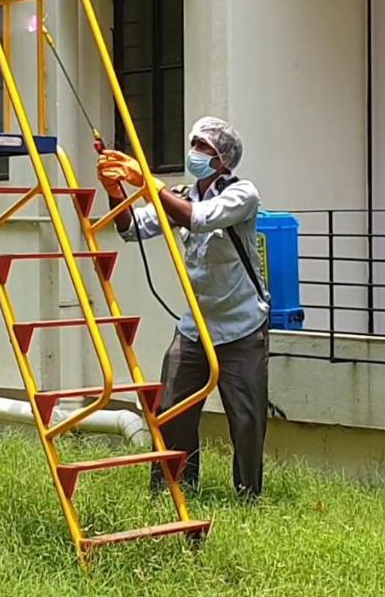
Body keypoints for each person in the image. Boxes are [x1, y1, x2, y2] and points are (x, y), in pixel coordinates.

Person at [97, 116, 270, 500]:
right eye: (194, 144)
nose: (195, 153)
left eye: (204, 147)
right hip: (195, 326)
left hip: (241, 327)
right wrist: (114, 189)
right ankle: (173, 488)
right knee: (172, 410)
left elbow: (199, 220)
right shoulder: (181, 194)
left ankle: (248, 495)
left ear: (224, 159)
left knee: (246, 419)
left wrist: (144, 180)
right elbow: (130, 229)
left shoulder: (243, 195)